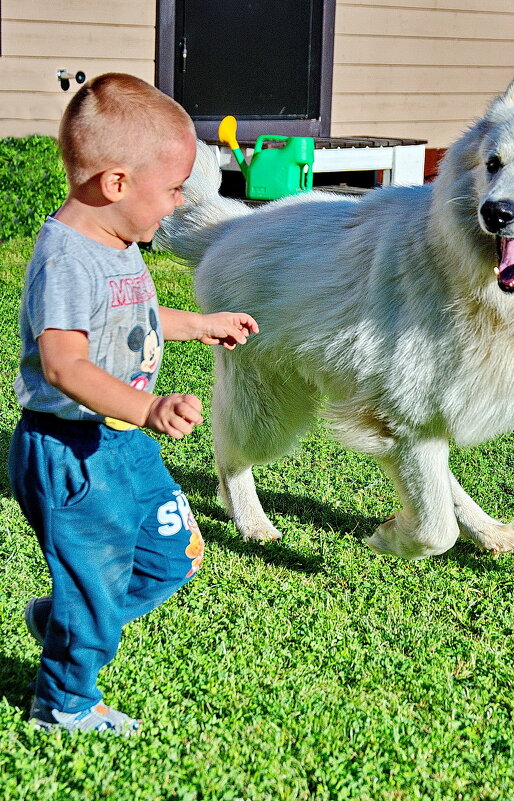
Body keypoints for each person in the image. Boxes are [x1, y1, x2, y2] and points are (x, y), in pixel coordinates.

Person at [7, 73, 259, 734]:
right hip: (69, 451)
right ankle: (62, 701)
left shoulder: (115, 245)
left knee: (174, 554)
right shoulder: (66, 259)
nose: (177, 204)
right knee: (94, 585)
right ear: (116, 184)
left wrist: (200, 324)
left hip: (119, 443)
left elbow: (133, 316)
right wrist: (147, 408)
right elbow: (64, 363)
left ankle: (65, 619)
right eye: (173, 189)